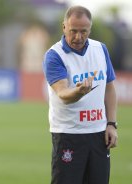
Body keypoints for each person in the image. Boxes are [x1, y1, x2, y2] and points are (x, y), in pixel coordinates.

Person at [42, 5, 118, 184]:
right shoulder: (54, 55)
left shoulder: (100, 49)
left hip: (99, 134)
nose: (78, 37)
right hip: (69, 135)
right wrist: (78, 92)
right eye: (73, 31)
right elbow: (62, 93)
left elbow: (109, 87)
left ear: (90, 29)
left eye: (84, 31)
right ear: (64, 27)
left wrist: (112, 124)